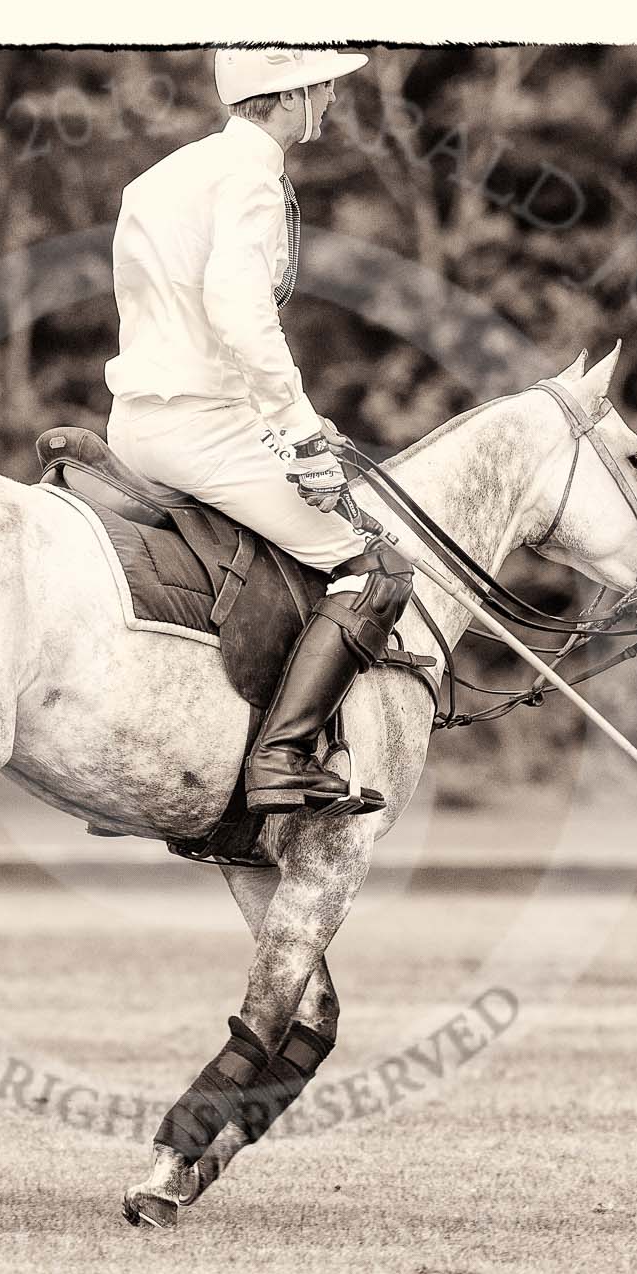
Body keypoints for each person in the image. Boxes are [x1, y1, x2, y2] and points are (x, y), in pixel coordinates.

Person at [104, 47, 415, 816]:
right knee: (376, 568)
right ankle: (279, 758)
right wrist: (298, 431)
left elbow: (173, 322)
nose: (333, 98)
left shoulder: (162, 175)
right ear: (286, 95)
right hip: (199, 429)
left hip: (139, 421)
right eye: (323, 85)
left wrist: (282, 425)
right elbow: (237, 314)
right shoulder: (250, 176)